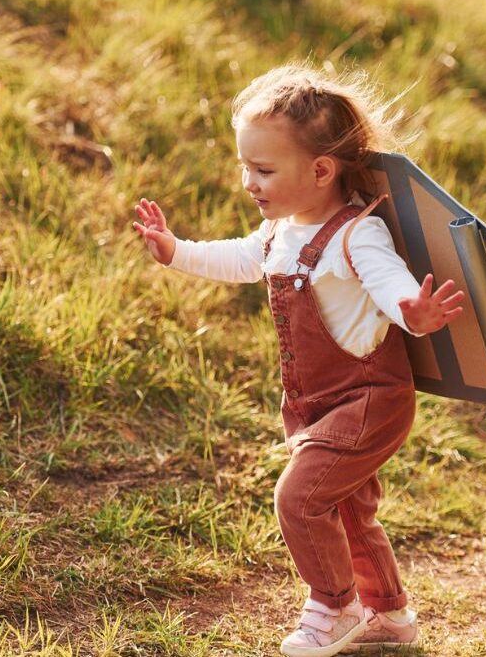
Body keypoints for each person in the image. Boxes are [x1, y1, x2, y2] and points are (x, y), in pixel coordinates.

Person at [132, 64, 464, 657]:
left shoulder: (356, 234)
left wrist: (413, 311)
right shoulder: (281, 232)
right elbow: (237, 258)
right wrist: (176, 250)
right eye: (244, 167)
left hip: (369, 398)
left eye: (263, 170)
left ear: (319, 170)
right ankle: (389, 615)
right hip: (314, 404)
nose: (248, 182)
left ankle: (335, 604)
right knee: (348, 509)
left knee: (300, 499)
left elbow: (388, 283)